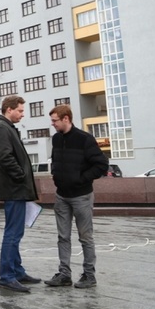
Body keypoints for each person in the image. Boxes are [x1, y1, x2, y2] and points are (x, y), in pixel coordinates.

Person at [44, 105, 108, 289]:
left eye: (55, 120)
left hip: (82, 196)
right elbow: (55, 161)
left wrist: (81, 179)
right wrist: (56, 175)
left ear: (66, 118)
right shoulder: (56, 138)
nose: (52, 124)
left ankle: (89, 276)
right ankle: (64, 275)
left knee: (85, 237)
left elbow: (101, 165)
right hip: (61, 196)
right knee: (62, 237)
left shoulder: (84, 139)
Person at [0, 95, 40, 293]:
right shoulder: (2, 128)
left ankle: (17, 271)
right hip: (14, 189)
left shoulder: (6, 127)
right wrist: (21, 176)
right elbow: (5, 157)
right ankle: (7, 276)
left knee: (16, 232)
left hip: (15, 189)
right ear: (9, 109)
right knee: (13, 233)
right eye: (20, 110)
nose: (22, 114)